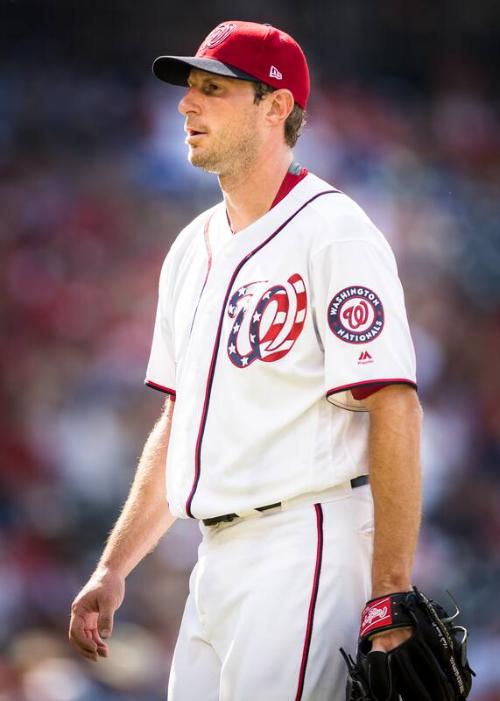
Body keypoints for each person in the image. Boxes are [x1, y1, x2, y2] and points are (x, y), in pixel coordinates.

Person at [69, 20, 422, 701]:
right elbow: (181, 423)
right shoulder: (189, 249)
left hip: (305, 542)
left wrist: (390, 591)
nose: (186, 104)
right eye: (189, 89)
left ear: (276, 106)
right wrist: (115, 567)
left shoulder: (334, 231)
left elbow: (394, 402)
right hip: (216, 556)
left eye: (213, 89)